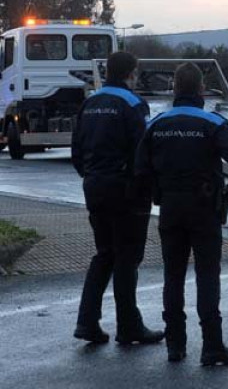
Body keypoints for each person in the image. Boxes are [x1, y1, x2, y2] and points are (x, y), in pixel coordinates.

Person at [135, 63, 228, 365]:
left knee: (172, 276)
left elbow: (140, 170)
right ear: (201, 89)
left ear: (174, 89)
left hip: (170, 209)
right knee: (207, 276)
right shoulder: (212, 123)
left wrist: (156, 194)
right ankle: (212, 346)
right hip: (204, 208)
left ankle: (175, 346)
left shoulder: (157, 124)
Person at [72, 51, 164, 345]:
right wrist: (148, 187)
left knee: (104, 254)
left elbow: (77, 151)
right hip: (126, 191)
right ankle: (129, 326)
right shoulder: (134, 104)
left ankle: (87, 322)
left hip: (94, 186)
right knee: (127, 258)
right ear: (131, 73)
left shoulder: (89, 103)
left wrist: (90, 175)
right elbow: (144, 150)